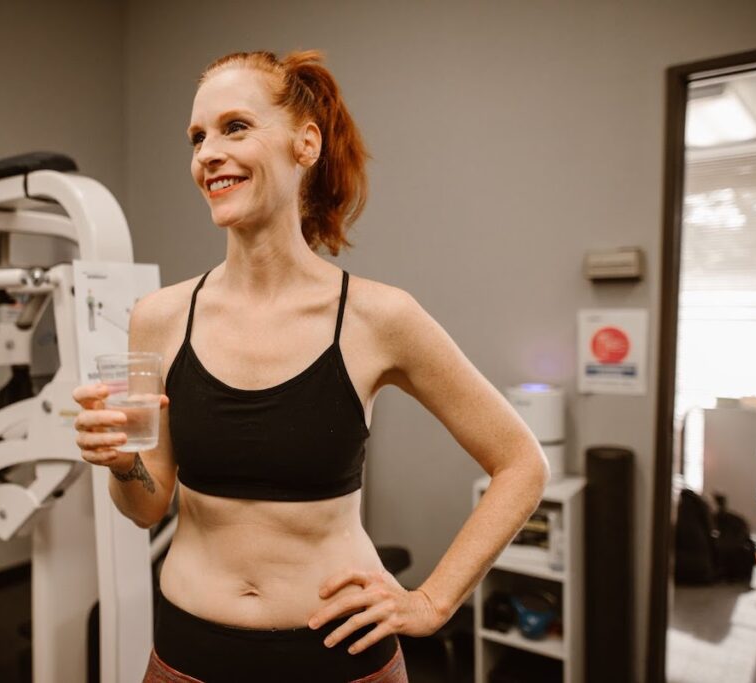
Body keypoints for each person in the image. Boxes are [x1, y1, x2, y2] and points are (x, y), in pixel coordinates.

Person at [72, 49, 549, 683]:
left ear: (305, 143)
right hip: (187, 658)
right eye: (197, 137)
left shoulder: (380, 317)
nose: (207, 153)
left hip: (338, 661)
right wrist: (120, 460)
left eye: (235, 127)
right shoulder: (158, 318)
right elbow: (145, 507)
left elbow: (522, 462)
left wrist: (431, 602)